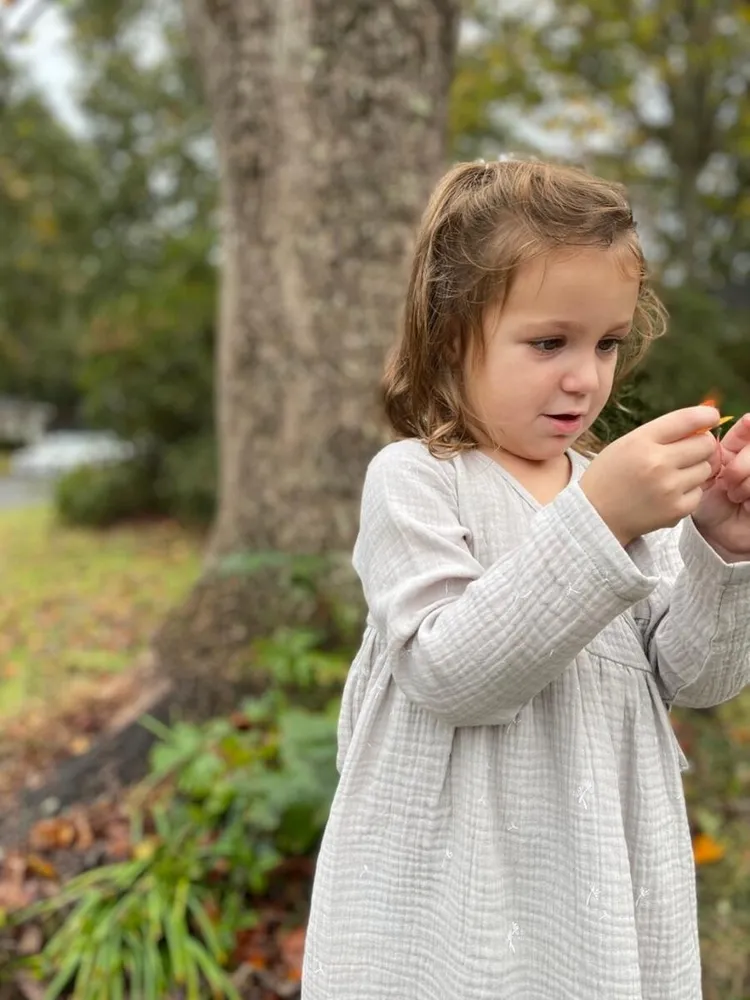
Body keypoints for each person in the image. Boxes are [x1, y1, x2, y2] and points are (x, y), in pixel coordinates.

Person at [301, 158, 750, 1000]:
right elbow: (449, 672)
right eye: (550, 342)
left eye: (607, 343)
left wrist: (722, 553)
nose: (585, 376)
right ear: (449, 332)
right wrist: (605, 518)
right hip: (450, 900)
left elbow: (695, 677)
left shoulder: (603, 490)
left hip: (595, 893)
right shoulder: (417, 481)